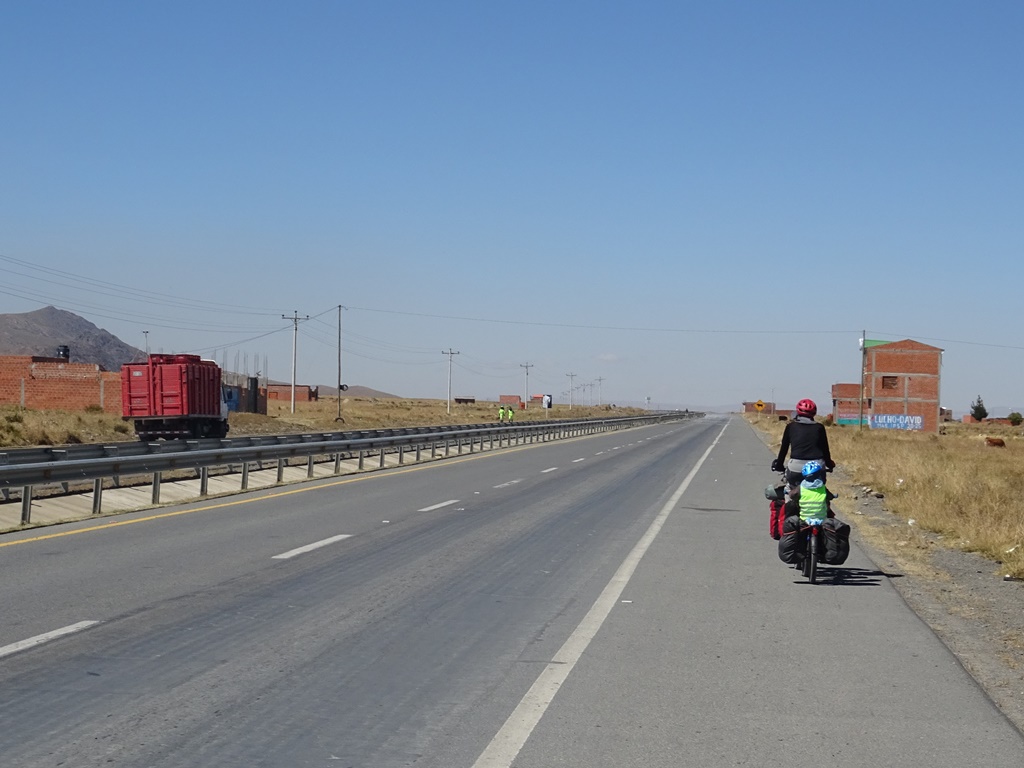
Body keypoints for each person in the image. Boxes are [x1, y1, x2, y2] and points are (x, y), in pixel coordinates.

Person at [771, 398, 834, 491]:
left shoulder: (791, 427)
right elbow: (825, 450)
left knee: (789, 490)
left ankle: (789, 503)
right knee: (820, 490)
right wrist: (830, 464)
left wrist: (779, 465)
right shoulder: (819, 428)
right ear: (814, 413)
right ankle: (824, 504)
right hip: (817, 466)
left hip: (795, 467)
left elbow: (783, 449)